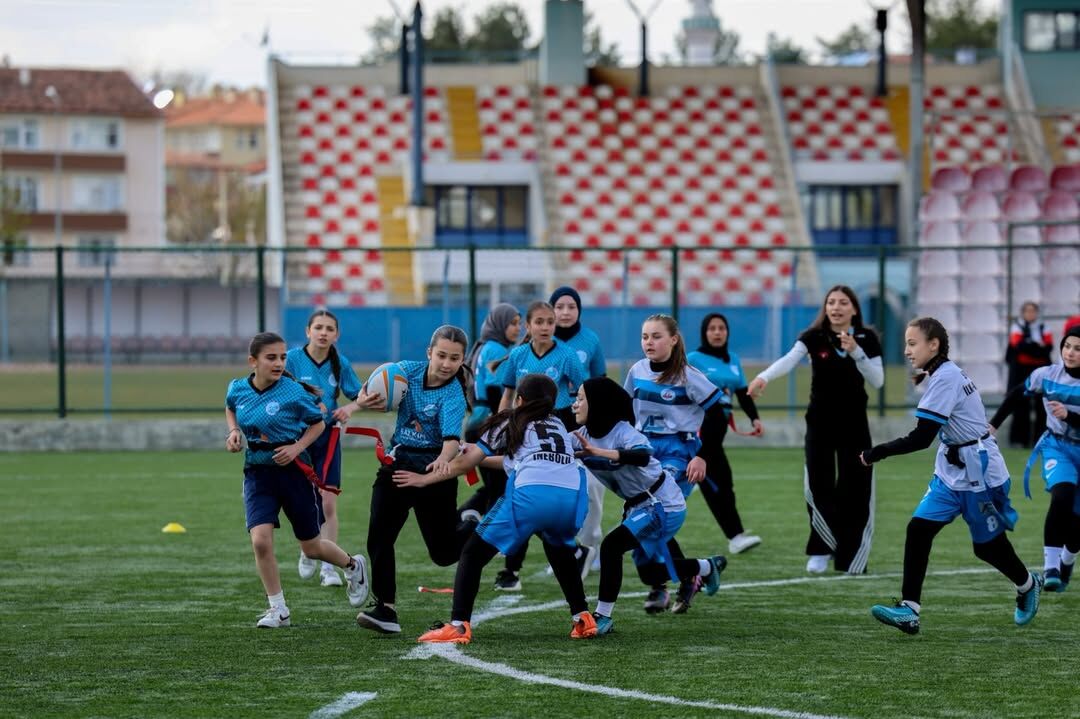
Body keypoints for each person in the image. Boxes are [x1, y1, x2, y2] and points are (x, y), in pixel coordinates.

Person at [861, 317, 1042, 635]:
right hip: (952, 469)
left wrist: (876, 452)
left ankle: (1028, 585)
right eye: (906, 343)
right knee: (918, 529)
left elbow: (921, 438)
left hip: (981, 475)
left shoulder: (945, 378)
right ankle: (910, 610)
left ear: (934, 345)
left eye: (912, 343)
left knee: (987, 547)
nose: (906, 351)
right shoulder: (941, 374)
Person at [404, 374, 595, 644]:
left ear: (519, 400)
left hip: (531, 494)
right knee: (559, 550)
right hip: (572, 497)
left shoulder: (511, 419)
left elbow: (463, 464)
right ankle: (583, 618)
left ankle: (458, 626)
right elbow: (520, 460)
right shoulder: (557, 424)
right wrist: (479, 455)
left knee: (471, 553)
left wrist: (423, 480)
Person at [225, 332, 369, 628]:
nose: (278, 363)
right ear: (253, 361)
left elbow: (317, 424)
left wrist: (297, 448)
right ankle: (278, 609)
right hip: (257, 474)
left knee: (311, 548)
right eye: (271, 358)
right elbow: (230, 407)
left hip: (295, 475)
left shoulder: (292, 392)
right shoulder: (238, 388)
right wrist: (233, 432)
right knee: (261, 542)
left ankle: (354, 567)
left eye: (281, 357)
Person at [572, 377, 726, 634]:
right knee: (650, 574)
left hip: (662, 503)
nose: (574, 405)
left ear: (597, 403)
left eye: (580, 398)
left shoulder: (624, 432)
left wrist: (598, 453)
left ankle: (603, 617)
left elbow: (643, 456)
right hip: (639, 506)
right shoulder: (580, 437)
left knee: (611, 547)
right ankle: (707, 566)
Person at [747, 285, 883, 575]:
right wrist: (763, 377)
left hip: (854, 425)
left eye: (843, 302)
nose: (836, 307)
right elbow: (788, 361)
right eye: (831, 302)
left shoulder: (866, 339)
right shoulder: (813, 337)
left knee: (854, 488)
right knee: (818, 486)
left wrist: (857, 353)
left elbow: (879, 380)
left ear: (854, 309)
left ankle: (850, 558)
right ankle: (821, 549)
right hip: (820, 423)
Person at [354, 325, 477, 635]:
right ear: (429, 353)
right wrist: (364, 397)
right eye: (442, 356)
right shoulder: (407, 371)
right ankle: (386, 609)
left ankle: (475, 523)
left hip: (434, 471)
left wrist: (441, 461)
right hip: (398, 464)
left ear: (462, 360)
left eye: (455, 358)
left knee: (444, 553)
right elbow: (371, 387)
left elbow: (451, 440)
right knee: (379, 536)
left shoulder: (453, 394)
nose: (447, 364)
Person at [624, 314, 727, 613]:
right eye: (645, 337)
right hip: (644, 450)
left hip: (677, 453)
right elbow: (626, 411)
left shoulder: (688, 375)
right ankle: (692, 573)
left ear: (673, 339)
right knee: (646, 519)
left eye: (656, 336)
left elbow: (718, 418)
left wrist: (702, 455)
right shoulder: (637, 371)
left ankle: (660, 586)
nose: (649, 342)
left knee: (652, 512)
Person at [491, 300, 588, 591]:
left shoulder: (567, 355)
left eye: (550, 322)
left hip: (552, 426)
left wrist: (578, 427)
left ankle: (511, 569)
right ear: (529, 326)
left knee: (527, 494)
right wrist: (498, 427)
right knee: (520, 491)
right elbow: (507, 395)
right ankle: (520, 566)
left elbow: (582, 392)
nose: (546, 327)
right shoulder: (518, 354)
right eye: (540, 322)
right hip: (521, 425)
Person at [990, 326, 1080, 592]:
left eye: (1077, 348)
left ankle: (1067, 559)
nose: (1070, 352)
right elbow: (1017, 394)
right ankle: (1051, 567)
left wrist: (1070, 417)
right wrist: (993, 426)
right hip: (1058, 447)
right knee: (1062, 495)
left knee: (1077, 525)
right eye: (1067, 346)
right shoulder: (1047, 374)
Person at [287, 309, 364, 588]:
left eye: (329, 329)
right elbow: (282, 389)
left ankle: (329, 567)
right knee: (305, 500)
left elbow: (362, 395)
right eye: (318, 327)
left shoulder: (340, 363)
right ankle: (308, 549)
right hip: (299, 438)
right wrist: (308, 403)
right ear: (308, 331)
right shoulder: (293, 359)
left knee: (328, 502)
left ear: (336, 334)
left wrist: (350, 407)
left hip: (328, 438)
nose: (323, 333)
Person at [687, 313, 764, 555]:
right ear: (704, 332)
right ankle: (735, 536)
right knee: (715, 485)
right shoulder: (693, 359)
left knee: (724, 483)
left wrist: (755, 418)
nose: (717, 332)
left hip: (718, 432)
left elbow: (742, 393)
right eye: (712, 328)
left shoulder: (733, 360)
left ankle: (736, 535)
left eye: (722, 328)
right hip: (702, 430)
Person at [550, 286, 608, 575]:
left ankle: (591, 546)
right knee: (553, 490)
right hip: (548, 423)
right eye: (559, 306)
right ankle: (564, 551)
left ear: (579, 310)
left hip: (583, 422)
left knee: (593, 487)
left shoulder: (591, 340)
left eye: (571, 306)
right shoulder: (541, 341)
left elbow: (601, 380)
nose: (564, 312)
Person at [458, 303, 521, 519]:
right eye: (513, 324)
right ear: (499, 324)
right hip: (488, 423)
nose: (517, 328)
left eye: (519, 324)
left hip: (476, 420)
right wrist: (505, 424)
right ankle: (494, 537)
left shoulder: (481, 346)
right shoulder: (497, 349)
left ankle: (465, 515)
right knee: (501, 486)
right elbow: (496, 390)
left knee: (495, 485)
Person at [1004, 302, 1053, 448]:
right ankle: (1019, 441)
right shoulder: (1016, 328)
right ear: (1023, 313)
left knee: (1041, 406)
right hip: (1020, 373)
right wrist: (1037, 347)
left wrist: (1030, 346)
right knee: (1021, 406)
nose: (1031, 314)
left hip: (1041, 371)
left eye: (1033, 311)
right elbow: (1019, 347)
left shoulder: (1044, 328)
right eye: (1028, 311)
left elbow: (1048, 348)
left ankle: (1040, 440)